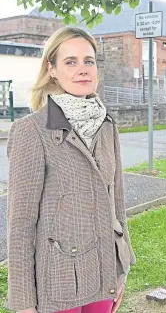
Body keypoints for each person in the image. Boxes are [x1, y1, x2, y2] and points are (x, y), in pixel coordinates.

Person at [5, 26, 136, 313]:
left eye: (88, 61)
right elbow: (21, 225)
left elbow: (116, 203)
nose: (82, 70)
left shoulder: (106, 125)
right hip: (58, 280)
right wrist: (24, 302)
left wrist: (121, 267)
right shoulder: (30, 131)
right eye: (70, 62)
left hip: (103, 272)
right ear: (51, 69)